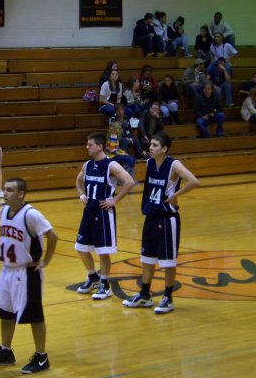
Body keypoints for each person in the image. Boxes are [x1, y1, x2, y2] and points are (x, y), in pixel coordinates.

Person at [0, 177, 58, 375]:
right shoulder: (4, 210)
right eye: (4, 190)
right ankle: (6, 352)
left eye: (9, 190)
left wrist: (46, 261)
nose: (5, 193)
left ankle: (41, 357)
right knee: (5, 313)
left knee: (34, 315)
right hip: (6, 270)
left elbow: (53, 235)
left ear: (21, 193)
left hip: (27, 271)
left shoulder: (31, 214)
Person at [122, 131, 200, 314]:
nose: (151, 148)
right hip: (151, 215)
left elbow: (194, 181)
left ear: (164, 149)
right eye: (151, 145)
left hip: (167, 219)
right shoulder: (150, 162)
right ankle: (144, 295)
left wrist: (175, 196)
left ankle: (168, 297)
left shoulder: (173, 164)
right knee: (147, 259)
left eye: (155, 145)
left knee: (168, 261)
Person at [74, 133, 135, 300]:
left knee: (103, 251)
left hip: (103, 212)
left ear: (99, 147)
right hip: (89, 211)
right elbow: (79, 181)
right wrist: (81, 195)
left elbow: (129, 181)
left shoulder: (111, 165)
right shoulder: (87, 165)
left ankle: (105, 284)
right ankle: (92, 277)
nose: (87, 147)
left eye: (90, 144)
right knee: (81, 248)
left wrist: (114, 200)